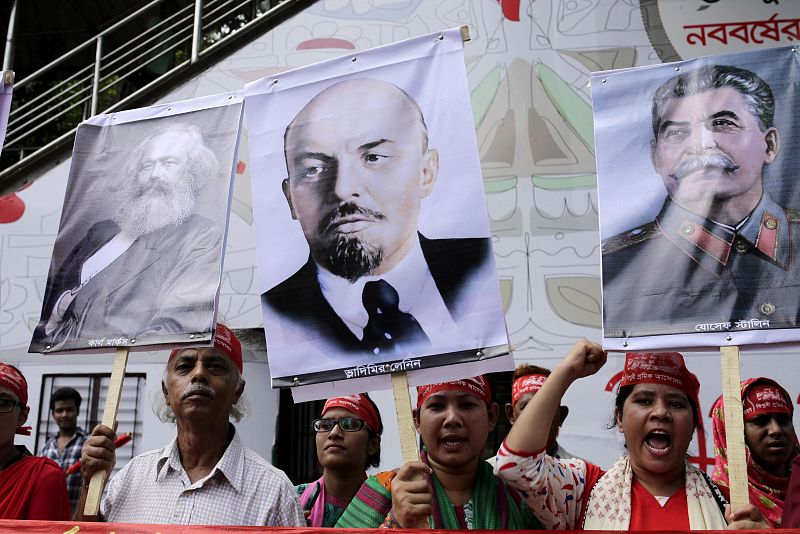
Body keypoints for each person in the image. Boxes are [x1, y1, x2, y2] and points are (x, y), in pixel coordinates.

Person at [263, 78, 501, 365]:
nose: (342, 189)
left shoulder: (488, 269)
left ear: (426, 173)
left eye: (373, 157)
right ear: (290, 198)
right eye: (314, 169)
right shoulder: (276, 317)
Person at [601, 64, 800, 338]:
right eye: (677, 133)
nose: (700, 145)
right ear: (655, 157)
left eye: (723, 124)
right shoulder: (615, 265)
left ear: (770, 145)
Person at [495, 340, 768, 530]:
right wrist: (567, 371)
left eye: (675, 404)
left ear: (693, 423)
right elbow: (513, 465)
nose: (660, 413)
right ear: (620, 419)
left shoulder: (729, 504)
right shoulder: (582, 491)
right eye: (644, 401)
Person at [76, 323, 305, 526]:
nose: (199, 374)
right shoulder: (130, 478)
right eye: (185, 366)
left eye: (215, 366)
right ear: (166, 391)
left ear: (238, 390)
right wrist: (90, 484)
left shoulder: (274, 491)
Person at [30, 122, 224, 352]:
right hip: (58, 350)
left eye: (169, 163)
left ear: (193, 171)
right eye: (146, 166)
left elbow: (177, 325)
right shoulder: (102, 231)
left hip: (115, 357)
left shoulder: (200, 236)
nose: (155, 175)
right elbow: (55, 289)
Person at [336, 376, 542, 529]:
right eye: (437, 406)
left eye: (467, 405)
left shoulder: (520, 495)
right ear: (417, 420)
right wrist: (396, 522)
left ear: (491, 417)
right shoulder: (384, 489)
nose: (452, 418)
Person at [710, 377, 799, 528]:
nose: (776, 430)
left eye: (783, 420)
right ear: (730, 432)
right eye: (760, 421)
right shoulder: (712, 500)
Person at [296, 393, 382, 527]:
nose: (334, 433)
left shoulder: (389, 510)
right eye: (325, 425)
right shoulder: (292, 500)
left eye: (349, 424)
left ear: (373, 444)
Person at [0, 363, 71, 520]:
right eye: (59, 410)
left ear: (22, 416)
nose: (64, 415)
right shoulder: (48, 445)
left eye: (2, 402)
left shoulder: (43, 476)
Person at [504, 364, 576, 459]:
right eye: (526, 407)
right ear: (511, 415)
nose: (536, 416)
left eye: (547, 407)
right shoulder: (491, 468)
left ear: (561, 416)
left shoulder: (582, 468)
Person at [40, 386, 88, 512]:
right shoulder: (46, 447)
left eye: (69, 409)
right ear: (53, 414)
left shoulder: (88, 443)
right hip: (48, 515)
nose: (64, 415)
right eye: (59, 410)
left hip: (76, 517)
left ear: (77, 411)